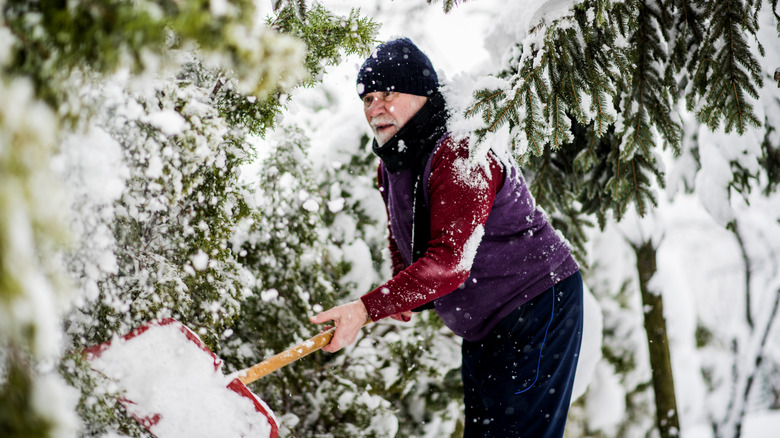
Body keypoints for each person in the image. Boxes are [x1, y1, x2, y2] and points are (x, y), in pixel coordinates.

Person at [310, 37, 584, 438]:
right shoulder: (394, 161)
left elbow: (450, 262)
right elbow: (402, 230)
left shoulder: (459, 151)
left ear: (422, 94)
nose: (376, 108)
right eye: (367, 98)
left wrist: (368, 308)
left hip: (536, 306)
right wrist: (399, 290)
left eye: (389, 93)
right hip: (486, 324)